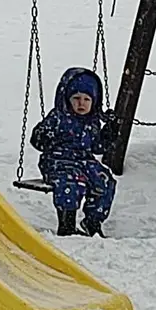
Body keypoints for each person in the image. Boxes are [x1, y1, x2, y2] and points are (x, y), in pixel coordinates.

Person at [30, 68, 118, 237]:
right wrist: (44, 136)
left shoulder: (92, 122)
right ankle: (67, 223)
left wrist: (108, 134)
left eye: (87, 99)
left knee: (105, 181)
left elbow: (96, 147)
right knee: (70, 183)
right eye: (76, 98)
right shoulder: (57, 118)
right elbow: (37, 141)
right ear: (67, 99)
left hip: (84, 161)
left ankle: (93, 221)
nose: (81, 103)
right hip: (57, 161)